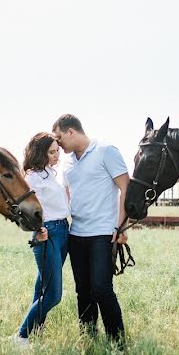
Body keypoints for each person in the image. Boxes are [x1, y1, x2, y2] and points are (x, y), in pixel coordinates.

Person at [52, 114, 129, 341]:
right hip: (76, 234)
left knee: (102, 289)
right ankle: (88, 338)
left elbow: (125, 187)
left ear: (71, 132)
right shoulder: (67, 163)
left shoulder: (106, 150)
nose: (57, 144)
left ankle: (117, 342)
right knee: (82, 291)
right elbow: (66, 194)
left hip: (104, 233)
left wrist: (121, 226)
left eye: (59, 138)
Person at [12, 132, 70, 347]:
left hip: (63, 230)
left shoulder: (49, 174)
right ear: (40, 153)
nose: (57, 156)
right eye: (52, 152)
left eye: (58, 151)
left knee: (42, 288)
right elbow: (22, 210)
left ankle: (34, 334)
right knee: (53, 295)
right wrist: (37, 228)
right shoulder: (31, 178)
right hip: (47, 234)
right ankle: (22, 336)